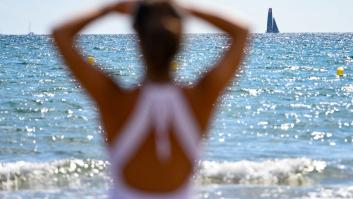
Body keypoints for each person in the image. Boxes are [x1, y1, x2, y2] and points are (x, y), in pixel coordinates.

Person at [52, 1, 248, 198]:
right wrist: (182, 8)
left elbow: (61, 33)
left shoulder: (114, 100)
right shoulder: (200, 98)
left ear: (138, 39)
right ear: (180, 41)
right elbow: (241, 32)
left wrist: (110, 9)